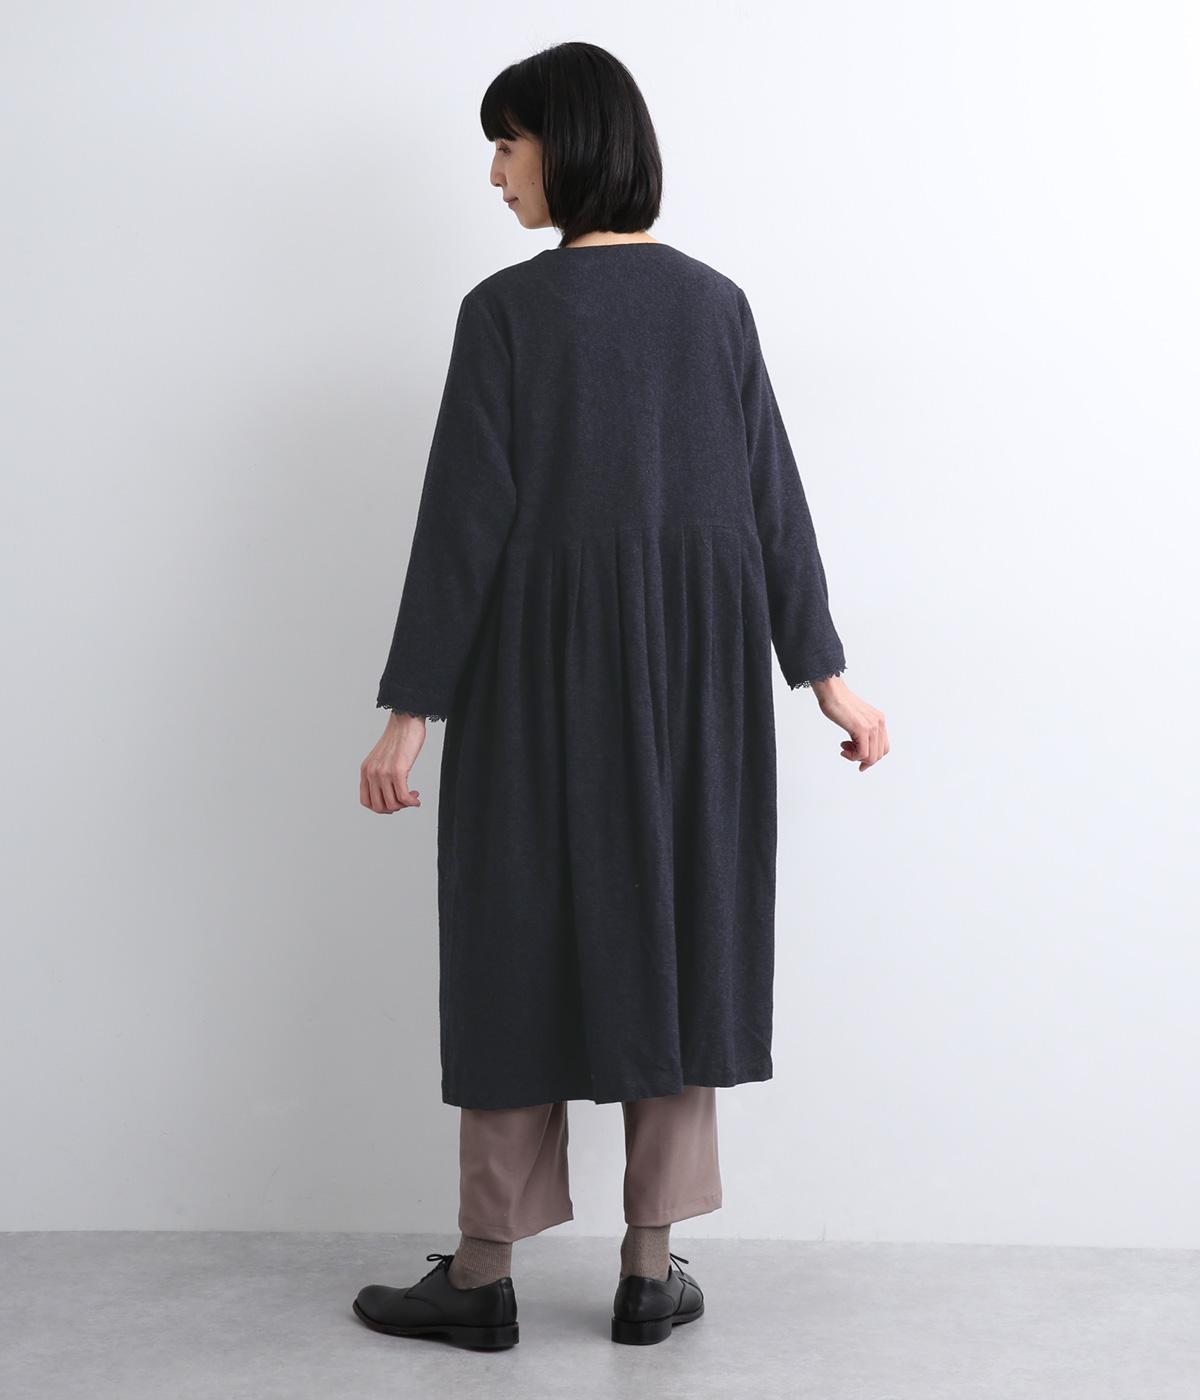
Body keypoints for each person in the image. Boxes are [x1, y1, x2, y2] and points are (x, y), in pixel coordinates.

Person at [353, 41, 889, 1351]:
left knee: (512, 938)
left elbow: (463, 529)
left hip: (537, 678)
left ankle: (483, 1276)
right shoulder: (715, 307)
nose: (496, 173)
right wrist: (827, 678)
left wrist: (411, 713)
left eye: (509, 143)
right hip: (696, 683)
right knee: (680, 932)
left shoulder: (506, 314)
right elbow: (773, 501)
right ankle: (650, 1272)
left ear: (571, 144)